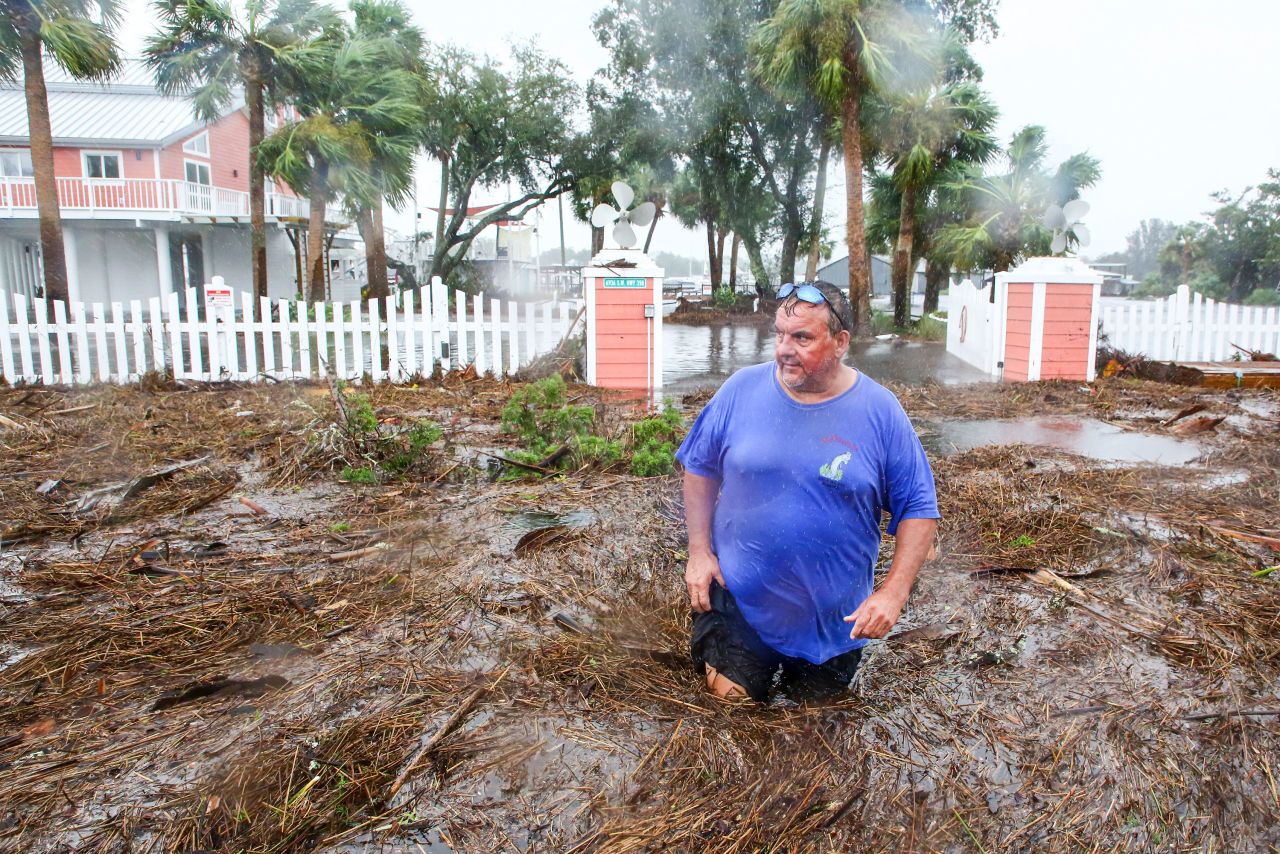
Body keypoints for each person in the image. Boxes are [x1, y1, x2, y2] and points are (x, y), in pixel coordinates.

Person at [675, 280, 939, 702]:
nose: (783, 348)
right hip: (742, 602)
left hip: (834, 620)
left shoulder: (880, 411)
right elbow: (700, 468)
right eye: (779, 334)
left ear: (840, 342)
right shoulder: (741, 390)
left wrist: (892, 592)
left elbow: (919, 508)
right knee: (730, 706)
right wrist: (699, 552)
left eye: (801, 338)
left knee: (813, 727)